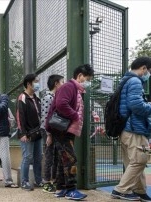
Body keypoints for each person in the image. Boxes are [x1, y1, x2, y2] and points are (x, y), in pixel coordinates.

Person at [111, 57, 151, 202]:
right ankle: (121, 190)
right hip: (134, 128)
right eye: (149, 71)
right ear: (143, 68)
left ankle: (140, 191)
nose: (148, 74)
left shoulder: (125, 80)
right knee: (139, 161)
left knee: (134, 161)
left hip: (125, 128)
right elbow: (136, 105)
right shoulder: (136, 81)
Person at [47, 64, 94, 200]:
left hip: (65, 130)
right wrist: (75, 116)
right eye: (87, 79)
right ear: (79, 76)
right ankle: (71, 189)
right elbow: (62, 104)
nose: (88, 82)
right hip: (62, 130)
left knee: (64, 159)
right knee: (71, 158)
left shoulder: (76, 90)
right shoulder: (69, 87)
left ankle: (61, 188)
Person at [16, 74, 43, 191]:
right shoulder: (22, 97)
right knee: (27, 157)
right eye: (36, 81)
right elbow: (19, 116)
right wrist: (22, 133)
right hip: (27, 134)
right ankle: (24, 181)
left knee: (38, 157)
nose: (38, 84)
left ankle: (38, 180)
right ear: (28, 84)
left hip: (38, 133)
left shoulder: (37, 98)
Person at [41, 74, 64, 193]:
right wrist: (48, 134)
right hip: (48, 131)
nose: (63, 84)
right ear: (56, 83)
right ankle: (45, 182)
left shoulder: (56, 97)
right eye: (62, 81)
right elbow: (45, 117)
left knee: (56, 156)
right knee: (49, 155)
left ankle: (54, 179)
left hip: (55, 131)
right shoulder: (48, 97)